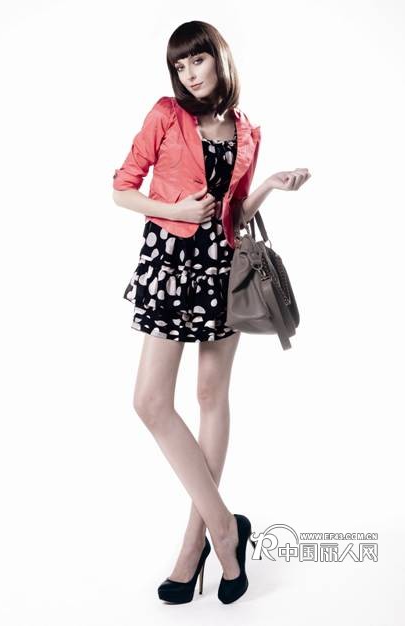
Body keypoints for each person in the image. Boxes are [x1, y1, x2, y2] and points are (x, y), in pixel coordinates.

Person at [112, 20, 311, 605]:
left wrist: (268, 186)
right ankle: (226, 527)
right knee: (150, 401)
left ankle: (193, 543)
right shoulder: (165, 115)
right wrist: (174, 208)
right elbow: (122, 188)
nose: (190, 74)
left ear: (219, 58)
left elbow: (232, 213)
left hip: (221, 270)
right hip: (170, 265)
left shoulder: (246, 130)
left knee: (209, 396)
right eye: (180, 65)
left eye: (197, 60)